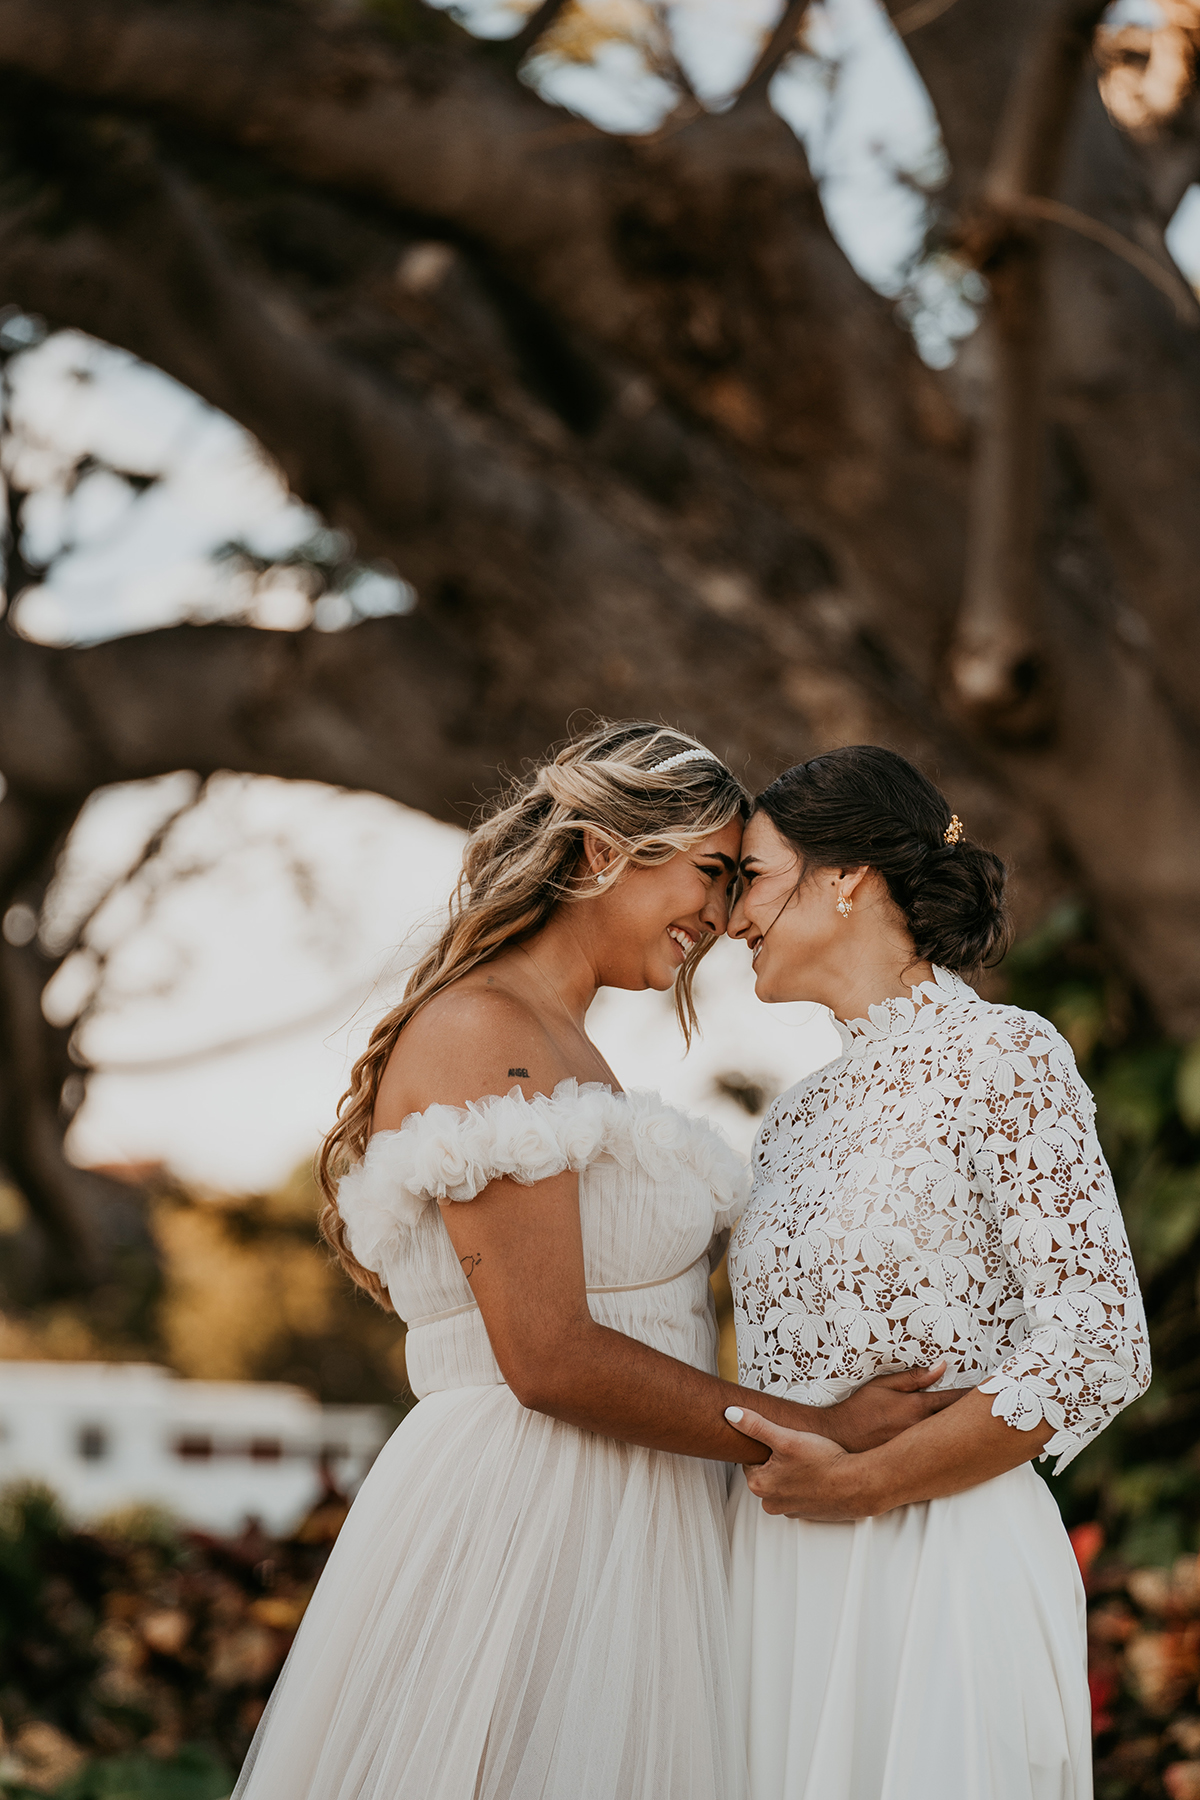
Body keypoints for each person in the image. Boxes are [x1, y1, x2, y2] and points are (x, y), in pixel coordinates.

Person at [231, 722, 955, 1800]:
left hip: (630, 1511)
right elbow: (550, 1356)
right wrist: (825, 1431)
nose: (719, 918)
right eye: (711, 873)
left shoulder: (572, 1052)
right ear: (596, 853)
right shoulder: (486, 1031)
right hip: (532, 1513)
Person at [723, 744, 1151, 1800]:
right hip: (785, 1580)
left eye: (754, 878)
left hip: (943, 1566)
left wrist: (863, 1484)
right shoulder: (791, 1121)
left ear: (844, 878)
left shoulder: (1007, 1056)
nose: (733, 919)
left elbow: (1098, 1342)